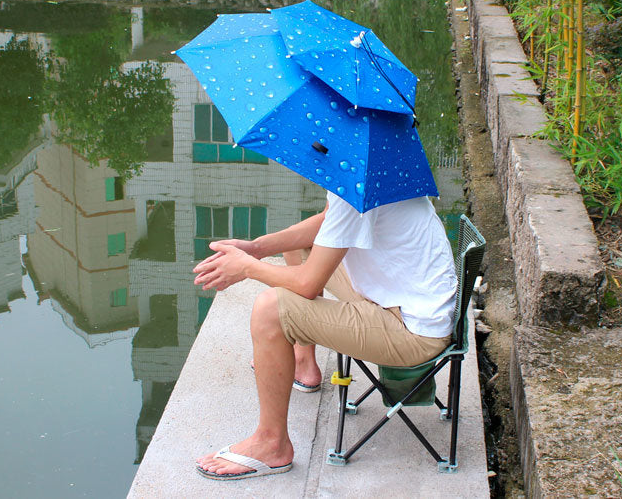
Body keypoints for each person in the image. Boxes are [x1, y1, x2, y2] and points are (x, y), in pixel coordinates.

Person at [192, 190, 457, 481]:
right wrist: (256, 248)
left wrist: (246, 266)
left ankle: (272, 444)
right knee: (301, 246)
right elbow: (328, 221)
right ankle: (303, 363)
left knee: (270, 310)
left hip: (410, 330)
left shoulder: (356, 180)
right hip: (407, 299)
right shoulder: (379, 168)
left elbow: (307, 283)